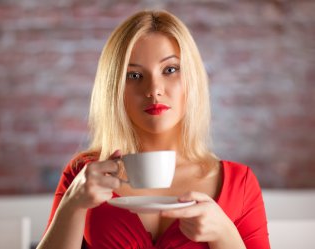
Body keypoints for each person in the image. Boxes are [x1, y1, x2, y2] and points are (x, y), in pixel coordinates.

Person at [36, 10, 270, 249]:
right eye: (134, 75)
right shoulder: (84, 175)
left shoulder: (239, 184)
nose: (154, 89)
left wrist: (224, 234)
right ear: (114, 88)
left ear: (192, 79)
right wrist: (72, 205)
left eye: (170, 70)